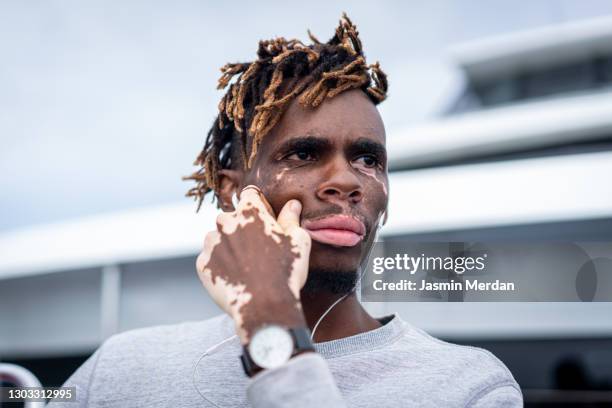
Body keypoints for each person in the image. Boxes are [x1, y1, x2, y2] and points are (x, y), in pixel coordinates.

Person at [49, 14, 522, 407]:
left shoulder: (469, 387)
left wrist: (269, 320)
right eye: (303, 154)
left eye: (368, 158)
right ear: (234, 193)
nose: (347, 181)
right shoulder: (122, 369)